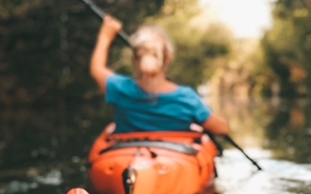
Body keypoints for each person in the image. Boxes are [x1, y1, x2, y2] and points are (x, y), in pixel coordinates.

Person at [90, 15, 229, 135]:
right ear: (168, 58)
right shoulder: (186, 99)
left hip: (127, 161)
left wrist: (105, 36)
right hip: (174, 162)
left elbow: (97, 69)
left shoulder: (120, 89)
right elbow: (221, 129)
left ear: (133, 60)